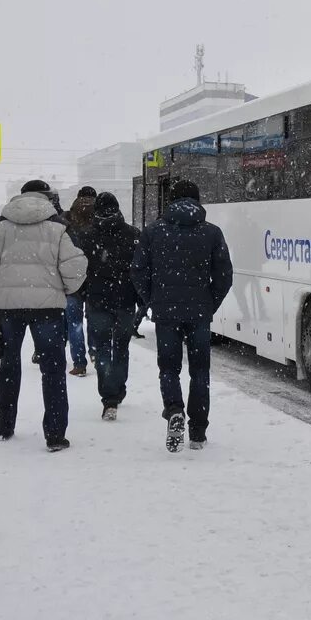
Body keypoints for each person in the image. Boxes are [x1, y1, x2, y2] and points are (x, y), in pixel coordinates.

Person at [0, 179, 87, 451]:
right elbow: (76, 266)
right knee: (53, 369)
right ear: (47, 198)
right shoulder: (59, 227)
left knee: (9, 365)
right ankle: (55, 434)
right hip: (47, 308)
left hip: (7, 308)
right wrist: (63, 290)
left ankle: (5, 426)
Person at [131, 179, 233, 453]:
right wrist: (209, 303)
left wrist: (152, 299)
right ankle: (198, 431)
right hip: (199, 312)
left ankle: (174, 409)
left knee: (169, 368)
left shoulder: (153, 232)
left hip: (166, 312)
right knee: (200, 371)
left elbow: (138, 271)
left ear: (170, 201)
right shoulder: (211, 233)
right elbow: (224, 275)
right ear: (198, 201)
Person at [81, 192, 141, 421]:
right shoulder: (134, 234)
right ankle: (119, 389)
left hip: (97, 300)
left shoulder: (86, 237)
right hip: (125, 300)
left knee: (103, 348)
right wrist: (139, 296)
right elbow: (140, 269)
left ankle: (109, 397)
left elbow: (80, 270)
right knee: (122, 347)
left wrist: (85, 292)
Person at [64, 185, 97, 376]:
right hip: (96, 277)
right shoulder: (101, 216)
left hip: (72, 277)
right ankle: (94, 352)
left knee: (74, 323)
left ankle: (79, 363)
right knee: (93, 318)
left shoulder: (67, 218)